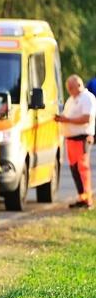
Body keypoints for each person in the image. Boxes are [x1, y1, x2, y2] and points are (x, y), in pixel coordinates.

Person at [55, 74, 96, 208]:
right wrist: (62, 118)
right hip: (71, 139)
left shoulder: (87, 98)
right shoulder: (72, 99)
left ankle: (87, 199)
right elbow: (68, 116)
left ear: (78, 85)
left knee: (82, 168)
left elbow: (86, 118)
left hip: (82, 138)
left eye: (71, 88)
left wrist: (66, 120)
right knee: (74, 169)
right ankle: (81, 197)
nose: (69, 91)